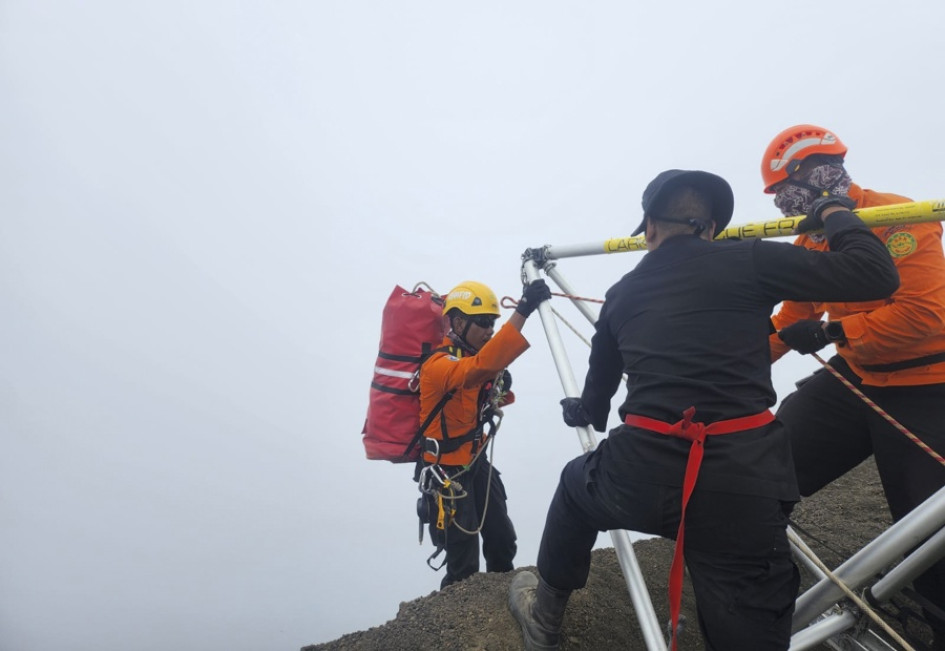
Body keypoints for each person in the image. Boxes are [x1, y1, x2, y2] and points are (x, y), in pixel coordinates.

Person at [508, 169, 899, 650]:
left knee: (573, 487)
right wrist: (834, 210)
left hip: (637, 478)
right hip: (741, 488)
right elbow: (876, 275)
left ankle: (544, 622)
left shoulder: (622, 294)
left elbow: (596, 402)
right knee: (748, 618)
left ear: (649, 227)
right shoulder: (751, 258)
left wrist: (580, 411)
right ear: (711, 228)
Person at [763, 124, 945, 645]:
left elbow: (924, 316)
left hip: (928, 384)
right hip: (857, 377)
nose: (783, 203)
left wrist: (830, 331)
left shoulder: (898, 218)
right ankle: (757, 585)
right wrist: (732, 362)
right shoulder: (811, 241)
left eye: (785, 192)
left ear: (815, 174)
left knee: (927, 530)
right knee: (765, 468)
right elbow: (789, 319)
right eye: (778, 197)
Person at [417, 278, 551, 589]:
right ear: (459, 322)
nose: (490, 329)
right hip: (447, 473)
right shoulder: (439, 365)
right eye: (482, 323)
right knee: (463, 562)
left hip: (475, 463)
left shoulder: (471, 361)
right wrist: (523, 310)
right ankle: (459, 623)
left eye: (492, 322)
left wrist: (499, 385)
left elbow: (486, 383)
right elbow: (476, 370)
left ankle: (503, 608)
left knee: (502, 540)